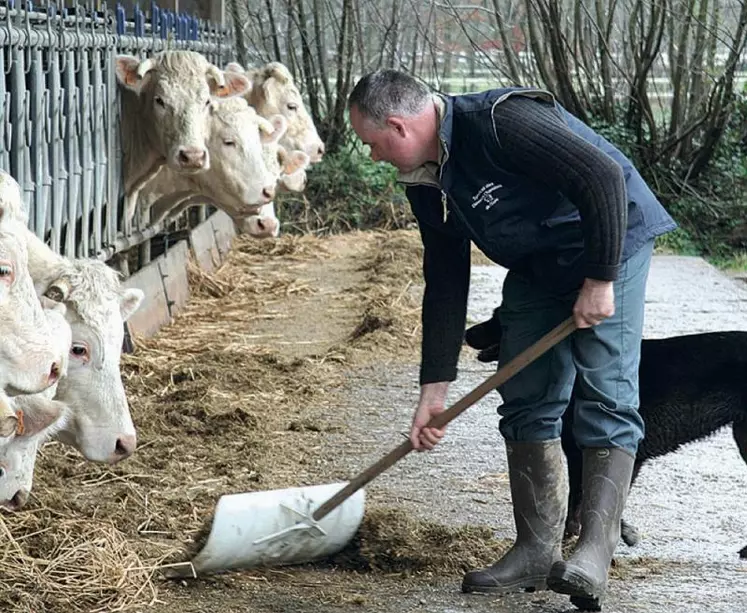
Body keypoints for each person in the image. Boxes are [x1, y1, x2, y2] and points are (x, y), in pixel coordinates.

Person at [347, 70, 676, 609]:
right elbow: (446, 279)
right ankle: (535, 550)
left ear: (399, 127)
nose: (374, 156)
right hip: (539, 263)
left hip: (609, 240)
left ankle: (594, 551)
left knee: (606, 390)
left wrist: (600, 280)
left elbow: (603, 179)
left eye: (372, 144)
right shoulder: (426, 180)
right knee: (525, 389)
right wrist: (434, 391)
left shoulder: (502, 123)